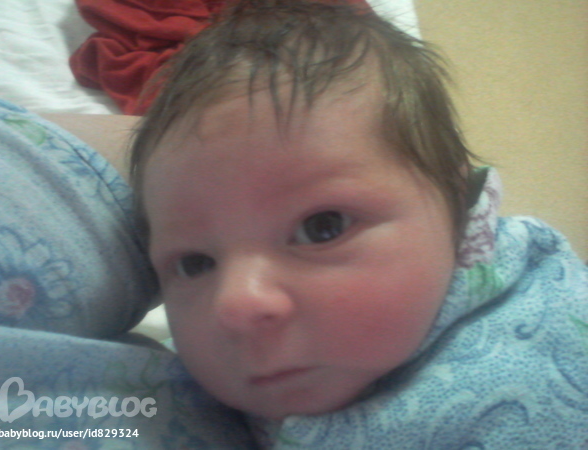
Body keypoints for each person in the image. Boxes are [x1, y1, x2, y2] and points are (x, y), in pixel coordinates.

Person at [128, 0, 588, 447]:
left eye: (323, 227)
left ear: (456, 204)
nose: (236, 303)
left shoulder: (547, 346)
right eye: (195, 264)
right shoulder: (150, 403)